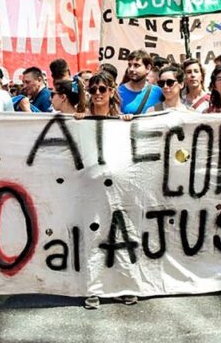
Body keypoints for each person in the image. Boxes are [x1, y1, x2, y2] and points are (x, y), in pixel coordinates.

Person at [74, 71, 133, 309]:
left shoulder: (121, 121)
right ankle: (93, 289)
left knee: (121, 236)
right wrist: (76, 121)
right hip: (90, 189)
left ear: (111, 92)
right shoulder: (81, 121)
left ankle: (122, 286)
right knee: (93, 238)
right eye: (93, 89)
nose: (97, 93)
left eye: (102, 89)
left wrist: (129, 123)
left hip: (118, 190)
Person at [118, 50, 162, 114]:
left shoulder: (159, 93)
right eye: (129, 65)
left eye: (136, 65)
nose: (131, 69)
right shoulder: (118, 92)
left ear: (148, 68)